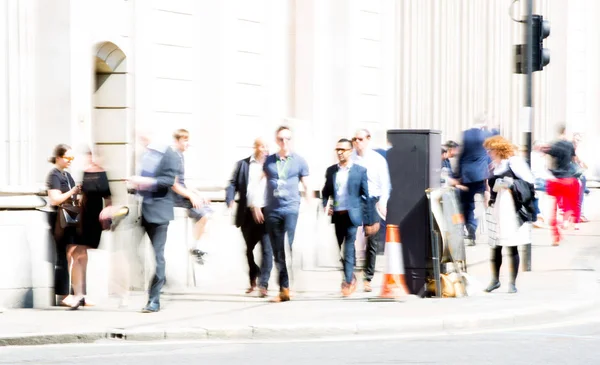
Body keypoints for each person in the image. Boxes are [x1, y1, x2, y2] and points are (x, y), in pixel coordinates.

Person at [255, 126, 310, 302]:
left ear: (291, 140)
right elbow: (258, 182)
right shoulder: (269, 161)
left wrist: (309, 204)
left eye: (287, 139)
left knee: (289, 246)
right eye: (280, 139)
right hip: (273, 211)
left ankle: (289, 284)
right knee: (278, 250)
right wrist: (256, 204)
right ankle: (283, 289)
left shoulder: (299, 161)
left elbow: (307, 185)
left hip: (291, 209)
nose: (284, 142)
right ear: (276, 141)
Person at [128, 131, 180, 313]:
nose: (141, 139)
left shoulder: (169, 154)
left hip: (159, 213)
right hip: (143, 210)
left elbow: (168, 181)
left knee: (158, 257)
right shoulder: (146, 155)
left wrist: (144, 181)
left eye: (144, 135)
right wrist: (136, 186)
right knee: (131, 252)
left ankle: (154, 299)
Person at [322, 138, 378, 297]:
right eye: (337, 150)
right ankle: (350, 274)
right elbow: (326, 192)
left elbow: (366, 196)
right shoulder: (331, 171)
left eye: (343, 150)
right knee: (340, 249)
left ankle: (348, 281)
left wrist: (369, 221)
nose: (339, 152)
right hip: (338, 215)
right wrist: (326, 204)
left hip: (352, 215)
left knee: (348, 248)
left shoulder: (360, 171)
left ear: (350, 151)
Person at [483, 135, 535, 294]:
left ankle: (512, 283)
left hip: (512, 206)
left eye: (491, 150)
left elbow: (529, 181)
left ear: (499, 149)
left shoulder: (514, 162)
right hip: (499, 205)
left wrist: (510, 184)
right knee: (496, 245)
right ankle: (495, 280)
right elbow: (490, 185)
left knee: (512, 245)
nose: (489, 153)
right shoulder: (494, 165)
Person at [226, 137, 273, 296]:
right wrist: (230, 198)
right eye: (262, 146)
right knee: (249, 250)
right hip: (246, 214)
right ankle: (254, 276)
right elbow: (232, 183)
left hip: (267, 212)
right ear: (255, 147)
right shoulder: (243, 164)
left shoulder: (272, 165)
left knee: (267, 249)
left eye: (267, 146)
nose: (265, 149)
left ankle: (263, 284)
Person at [351, 129, 391, 292]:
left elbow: (385, 184)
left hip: (372, 200)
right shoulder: (350, 158)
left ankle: (368, 277)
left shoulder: (377, 159)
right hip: (354, 200)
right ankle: (350, 275)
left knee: (372, 240)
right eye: (354, 139)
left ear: (368, 139)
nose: (357, 142)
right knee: (349, 237)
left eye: (360, 139)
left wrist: (383, 202)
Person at [46, 144, 82, 308]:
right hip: (60, 220)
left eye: (72, 158)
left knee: (73, 254)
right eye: (67, 158)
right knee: (63, 256)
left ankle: (75, 294)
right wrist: (72, 191)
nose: (70, 161)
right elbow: (55, 199)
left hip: (70, 219)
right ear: (59, 158)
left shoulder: (67, 175)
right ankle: (63, 295)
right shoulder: (54, 175)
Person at [170, 129, 212, 264]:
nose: (188, 143)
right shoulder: (175, 157)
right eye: (185, 140)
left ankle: (198, 245)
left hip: (182, 193)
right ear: (177, 141)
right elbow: (174, 184)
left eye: (188, 140)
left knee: (209, 211)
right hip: (176, 196)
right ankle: (195, 248)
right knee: (204, 214)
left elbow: (184, 182)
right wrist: (192, 197)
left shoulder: (180, 156)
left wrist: (199, 194)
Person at [457, 119, 495, 245]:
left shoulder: (466, 135)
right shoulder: (485, 136)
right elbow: (488, 158)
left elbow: (462, 156)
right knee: (477, 204)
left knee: (466, 204)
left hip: (466, 175)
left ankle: (469, 229)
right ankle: (473, 228)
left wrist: (458, 174)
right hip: (480, 176)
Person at [542, 125, 580, 246]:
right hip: (569, 178)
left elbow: (545, 153)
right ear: (565, 132)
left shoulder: (554, 145)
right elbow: (574, 159)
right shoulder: (569, 145)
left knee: (554, 207)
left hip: (555, 179)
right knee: (570, 203)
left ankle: (556, 236)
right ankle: (566, 220)